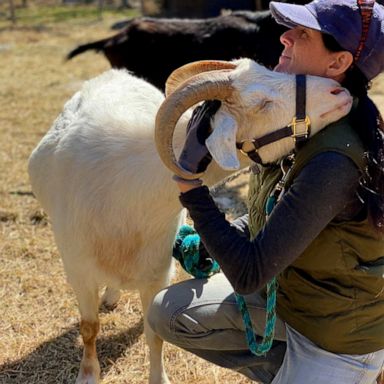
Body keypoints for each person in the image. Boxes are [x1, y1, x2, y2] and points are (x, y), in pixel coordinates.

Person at [148, 1, 384, 383]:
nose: (284, 37)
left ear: (338, 63)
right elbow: (278, 212)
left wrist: (190, 187)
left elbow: (249, 274)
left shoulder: (334, 158)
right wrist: (219, 238)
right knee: (169, 314)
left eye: (303, 34)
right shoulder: (301, 118)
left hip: (337, 336)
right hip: (294, 301)